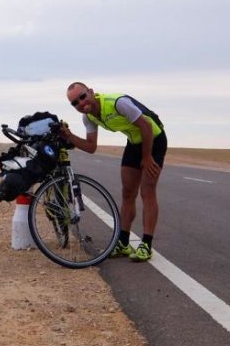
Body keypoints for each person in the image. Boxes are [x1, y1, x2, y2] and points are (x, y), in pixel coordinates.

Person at [59, 82, 167, 262]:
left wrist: (147, 157)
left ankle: (146, 245)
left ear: (91, 92)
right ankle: (123, 243)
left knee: (147, 191)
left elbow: (146, 126)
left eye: (83, 96)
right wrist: (69, 136)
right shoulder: (89, 118)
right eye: (75, 103)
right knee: (127, 193)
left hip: (153, 139)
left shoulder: (118, 103)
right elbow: (91, 147)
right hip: (134, 142)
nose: (81, 103)